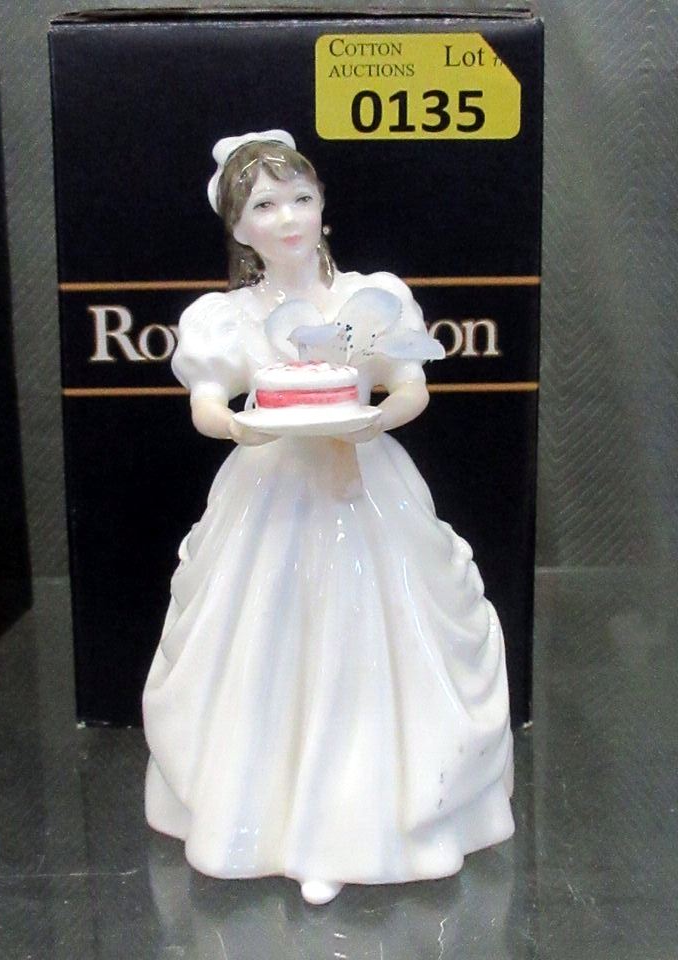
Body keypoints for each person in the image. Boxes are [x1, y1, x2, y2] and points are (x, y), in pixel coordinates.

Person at [143, 130, 514, 906]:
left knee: (370, 637)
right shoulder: (225, 315)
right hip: (271, 490)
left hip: (367, 483)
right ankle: (267, 820)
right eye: (264, 206)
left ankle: (371, 822)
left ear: (322, 206)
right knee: (269, 637)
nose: (288, 218)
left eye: (300, 199)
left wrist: (375, 419)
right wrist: (242, 427)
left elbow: (410, 385)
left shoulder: (372, 297)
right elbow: (207, 403)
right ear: (238, 227)